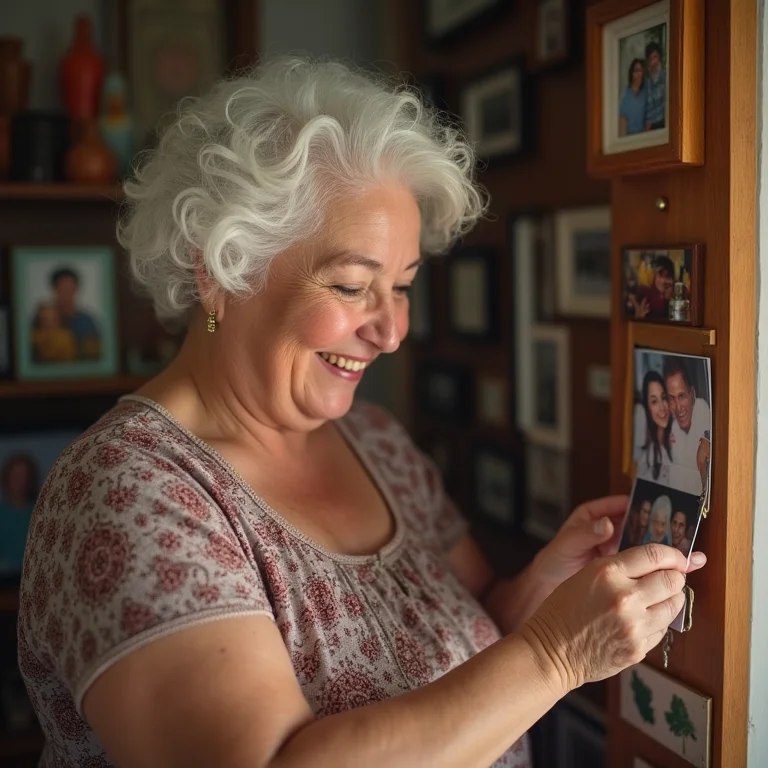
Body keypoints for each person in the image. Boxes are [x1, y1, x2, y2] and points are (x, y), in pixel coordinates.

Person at [17, 57, 705, 768]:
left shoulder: (374, 439)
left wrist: (545, 592)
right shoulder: (126, 492)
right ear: (222, 271)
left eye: (402, 286)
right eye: (352, 285)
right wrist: (558, 654)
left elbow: (461, 655)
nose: (392, 330)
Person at [664, 357, 712, 495]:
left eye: (682, 396)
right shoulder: (669, 424)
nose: (678, 408)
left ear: (693, 394)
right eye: (672, 399)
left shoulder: (703, 412)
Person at [48, 267, 101, 359]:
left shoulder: (87, 321)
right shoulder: (43, 319)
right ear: (54, 290)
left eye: (70, 289)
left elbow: (95, 355)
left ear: (76, 290)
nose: (66, 294)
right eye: (62, 289)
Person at [0, 454, 37, 575]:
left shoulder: (38, 512)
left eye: (24, 476)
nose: (20, 482)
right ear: (7, 478)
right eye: (16, 476)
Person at [636, 370, 673, 484]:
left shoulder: (678, 436)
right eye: (654, 401)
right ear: (648, 409)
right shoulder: (647, 459)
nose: (662, 407)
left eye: (663, 398)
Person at [628, 254, 678, 320]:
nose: (663, 281)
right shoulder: (645, 294)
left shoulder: (679, 296)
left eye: (667, 277)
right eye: (660, 276)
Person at [619, 58, 647, 136]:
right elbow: (622, 124)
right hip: (630, 136)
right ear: (632, 73)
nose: (639, 73)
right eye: (636, 70)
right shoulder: (625, 97)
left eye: (641, 70)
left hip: (644, 136)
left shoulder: (645, 93)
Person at [644, 41, 666, 131]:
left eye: (655, 57)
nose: (653, 61)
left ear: (659, 57)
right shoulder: (647, 82)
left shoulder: (666, 77)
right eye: (650, 59)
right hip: (651, 126)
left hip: (664, 123)